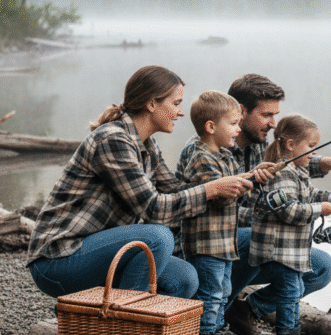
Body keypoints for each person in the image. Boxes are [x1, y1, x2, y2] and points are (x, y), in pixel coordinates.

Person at [27, 66, 251, 302]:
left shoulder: (148, 145)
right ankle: (123, 326)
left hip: (106, 253)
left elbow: (176, 190)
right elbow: (153, 209)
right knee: (158, 237)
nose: (182, 112)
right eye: (176, 103)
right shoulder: (112, 139)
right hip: (59, 260)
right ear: (152, 104)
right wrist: (211, 189)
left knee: (184, 278)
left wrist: (245, 180)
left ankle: (95, 314)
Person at [224, 73, 331, 335]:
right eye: (267, 115)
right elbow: (229, 211)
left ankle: (245, 309)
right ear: (241, 112)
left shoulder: (257, 147)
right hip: (225, 241)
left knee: (321, 267)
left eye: (275, 115)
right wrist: (292, 214)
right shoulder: (219, 150)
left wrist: (326, 162)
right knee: (258, 235)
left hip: (251, 238)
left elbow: (286, 168)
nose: (273, 123)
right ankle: (215, 315)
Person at [250, 114, 331, 335]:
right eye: (310, 147)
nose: (314, 152)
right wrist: (320, 208)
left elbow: (311, 194)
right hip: (280, 250)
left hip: (293, 250)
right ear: (290, 145)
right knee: (289, 292)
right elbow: (289, 210)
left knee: (295, 289)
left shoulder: (297, 171)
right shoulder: (282, 174)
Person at [178, 91, 254, 335]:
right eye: (233, 124)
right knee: (210, 293)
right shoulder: (201, 157)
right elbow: (222, 195)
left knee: (222, 290)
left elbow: (235, 184)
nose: (239, 129)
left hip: (224, 242)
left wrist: (255, 177)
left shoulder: (224, 154)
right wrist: (245, 184)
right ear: (211, 127)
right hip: (206, 243)